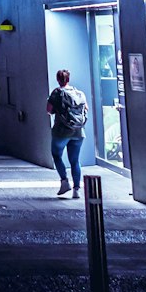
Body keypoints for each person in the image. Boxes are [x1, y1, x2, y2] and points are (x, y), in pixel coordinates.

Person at [46, 68, 88, 197]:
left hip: (61, 131)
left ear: (58, 79)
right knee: (75, 160)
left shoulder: (57, 93)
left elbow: (48, 110)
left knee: (57, 155)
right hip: (78, 131)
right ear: (68, 79)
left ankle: (64, 182)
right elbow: (86, 109)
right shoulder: (79, 93)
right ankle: (77, 190)